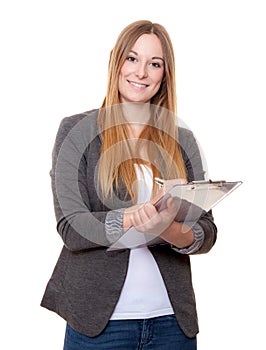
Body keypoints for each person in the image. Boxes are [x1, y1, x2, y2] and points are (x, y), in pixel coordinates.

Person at [41, 20, 217, 350]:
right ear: (116, 61)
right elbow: (71, 228)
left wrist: (169, 229)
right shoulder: (76, 131)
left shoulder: (182, 141)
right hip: (99, 324)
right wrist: (135, 216)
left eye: (155, 64)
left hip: (171, 324)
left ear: (165, 74)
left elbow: (206, 231)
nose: (141, 72)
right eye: (132, 59)